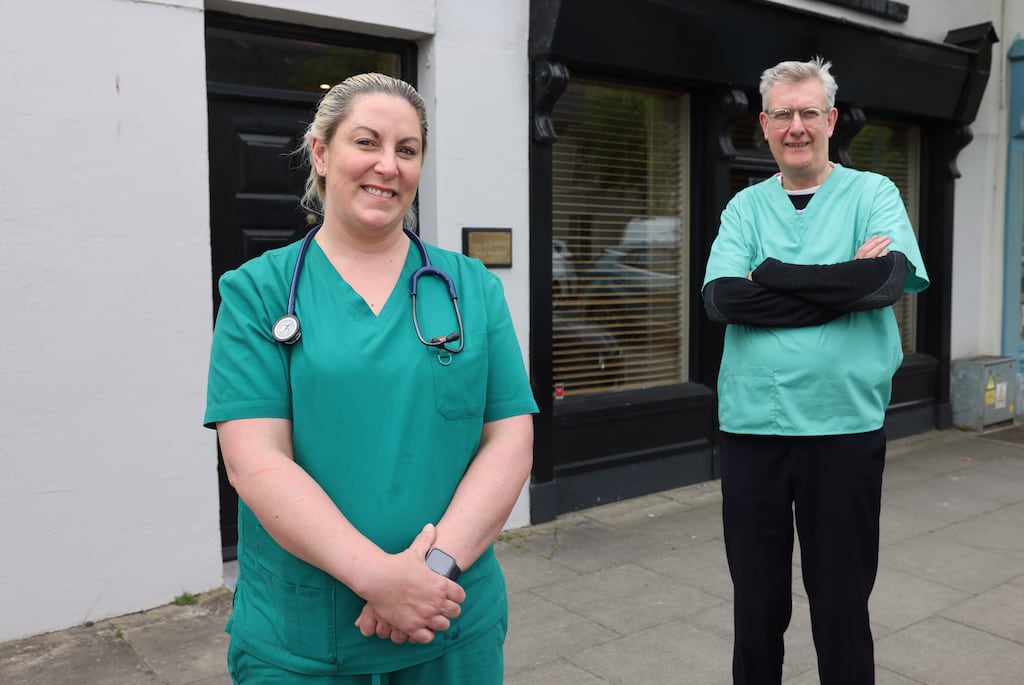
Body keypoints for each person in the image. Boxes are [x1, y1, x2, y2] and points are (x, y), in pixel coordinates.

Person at [204, 72, 538, 684]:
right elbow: (255, 462)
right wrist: (379, 578)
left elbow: (509, 441)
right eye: (367, 142)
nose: (388, 165)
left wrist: (429, 574)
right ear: (322, 153)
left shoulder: (472, 289)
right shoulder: (257, 292)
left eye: (407, 150)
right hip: (306, 639)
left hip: (450, 621)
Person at [701, 57, 929, 684]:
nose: (795, 126)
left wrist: (770, 274)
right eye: (782, 115)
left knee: (841, 605)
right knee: (756, 606)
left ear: (830, 120)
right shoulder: (745, 208)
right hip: (754, 430)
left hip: (843, 429)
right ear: (765, 126)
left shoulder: (873, 193)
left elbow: (884, 281)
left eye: (808, 113)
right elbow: (722, 299)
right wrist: (836, 288)